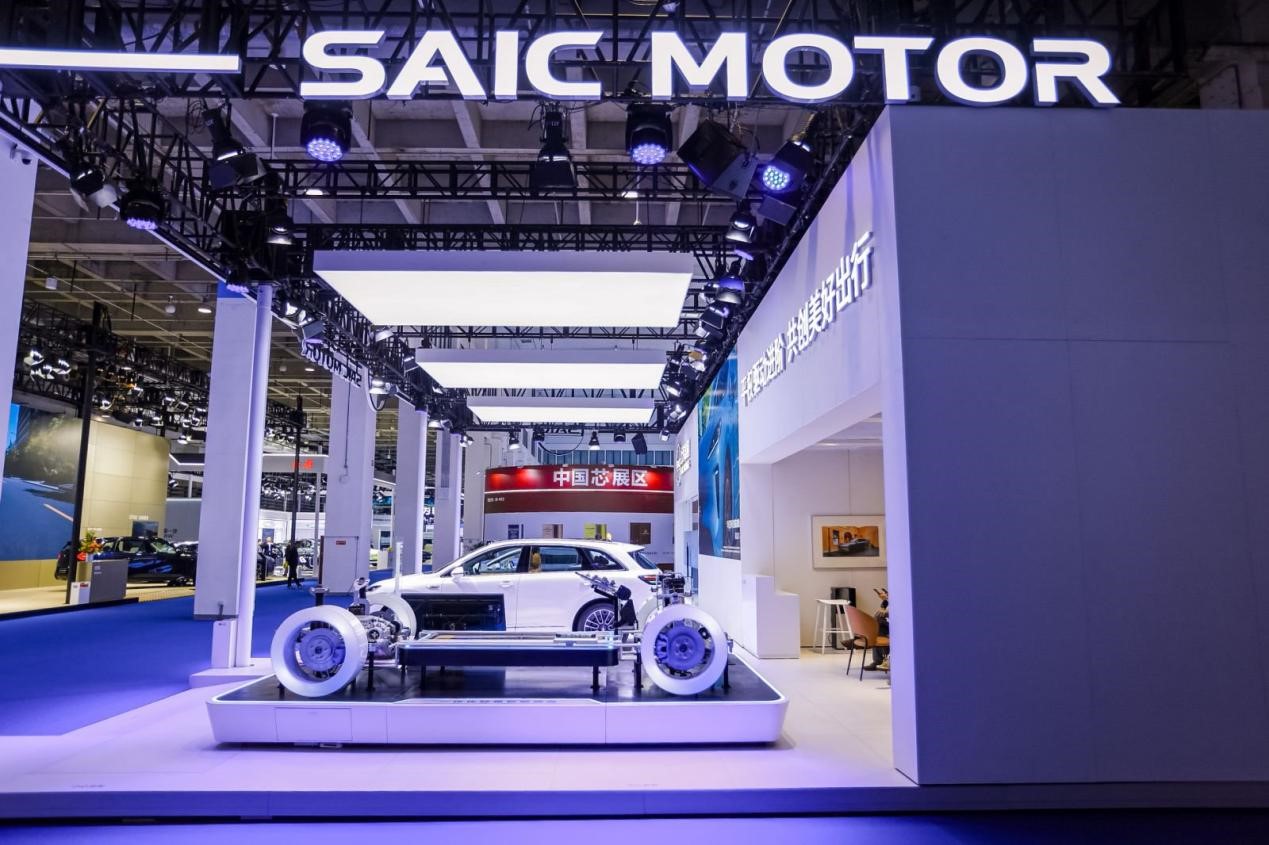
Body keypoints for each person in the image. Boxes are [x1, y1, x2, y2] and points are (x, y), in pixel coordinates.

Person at [865, 587, 890, 671]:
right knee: (877, 622)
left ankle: (879, 661)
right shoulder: (888, 601)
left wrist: (888, 599)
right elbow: (883, 610)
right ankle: (879, 661)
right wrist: (885, 600)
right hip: (888, 622)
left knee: (877, 622)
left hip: (899, 623)